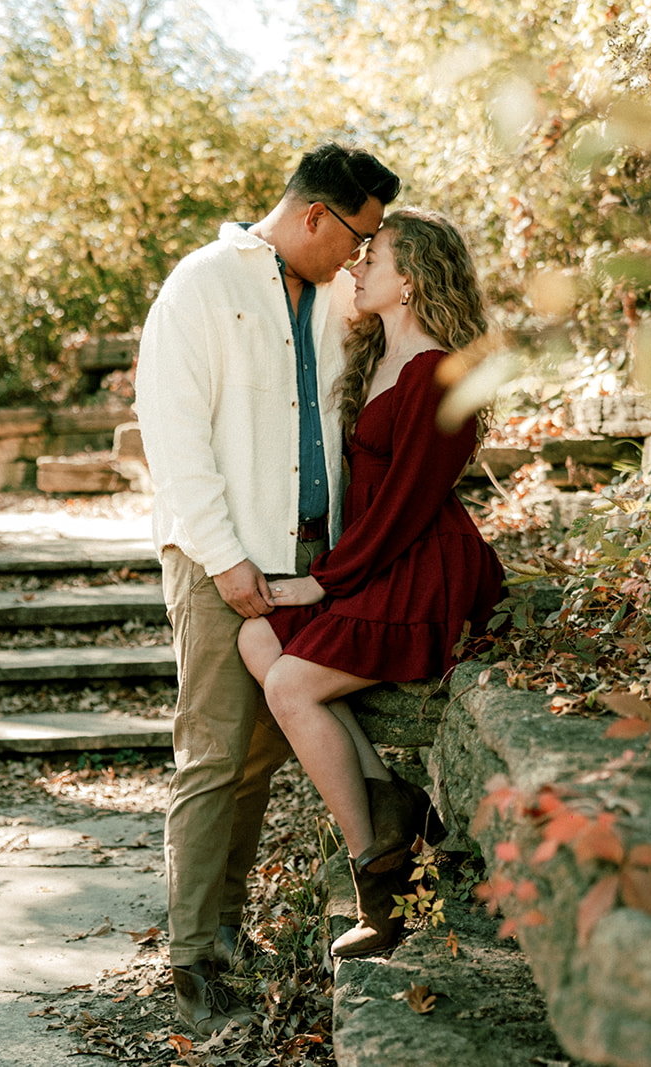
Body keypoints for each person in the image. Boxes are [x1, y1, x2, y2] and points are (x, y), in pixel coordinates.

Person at [135, 143, 401, 1036]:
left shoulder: (332, 297)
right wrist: (223, 556)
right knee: (212, 755)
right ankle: (187, 961)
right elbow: (173, 435)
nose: (361, 256)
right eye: (357, 236)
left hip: (305, 565)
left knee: (257, 758)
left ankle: (224, 929)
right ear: (315, 216)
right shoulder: (203, 284)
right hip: (220, 561)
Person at [237, 208, 505, 960]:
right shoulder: (375, 354)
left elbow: (407, 507)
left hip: (423, 569)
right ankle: (399, 805)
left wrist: (323, 583)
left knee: (290, 684)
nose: (354, 269)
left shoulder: (439, 371)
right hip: (379, 560)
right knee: (256, 635)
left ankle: (379, 877)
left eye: (371, 259)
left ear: (411, 280)